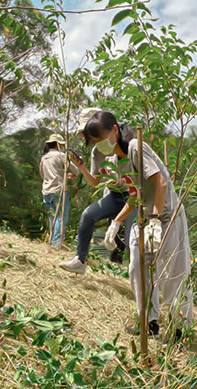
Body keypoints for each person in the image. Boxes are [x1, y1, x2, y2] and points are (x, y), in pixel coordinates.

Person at [78, 110, 193, 337]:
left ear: (115, 130)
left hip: (166, 215)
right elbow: (134, 196)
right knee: (137, 267)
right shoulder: (115, 162)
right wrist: (116, 223)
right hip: (145, 216)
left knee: (172, 273)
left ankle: (182, 330)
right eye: (96, 143)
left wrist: (155, 220)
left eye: (102, 139)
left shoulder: (135, 148)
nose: (100, 146)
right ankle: (149, 324)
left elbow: (159, 183)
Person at [59, 108, 136, 274]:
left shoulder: (130, 146)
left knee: (132, 239)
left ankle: (142, 276)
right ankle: (80, 260)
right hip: (115, 196)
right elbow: (95, 182)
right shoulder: (96, 152)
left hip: (134, 197)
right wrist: (82, 167)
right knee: (88, 215)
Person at [39, 134, 78, 247]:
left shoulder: (44, 158)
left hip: (46, 190)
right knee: (61, 217)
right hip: (59, 190)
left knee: (52, 217)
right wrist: (70, 175)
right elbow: (76, 171)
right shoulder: (61, 156)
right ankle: (56, 243)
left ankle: (52, 241)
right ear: (57, 144)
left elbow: (43, 175)